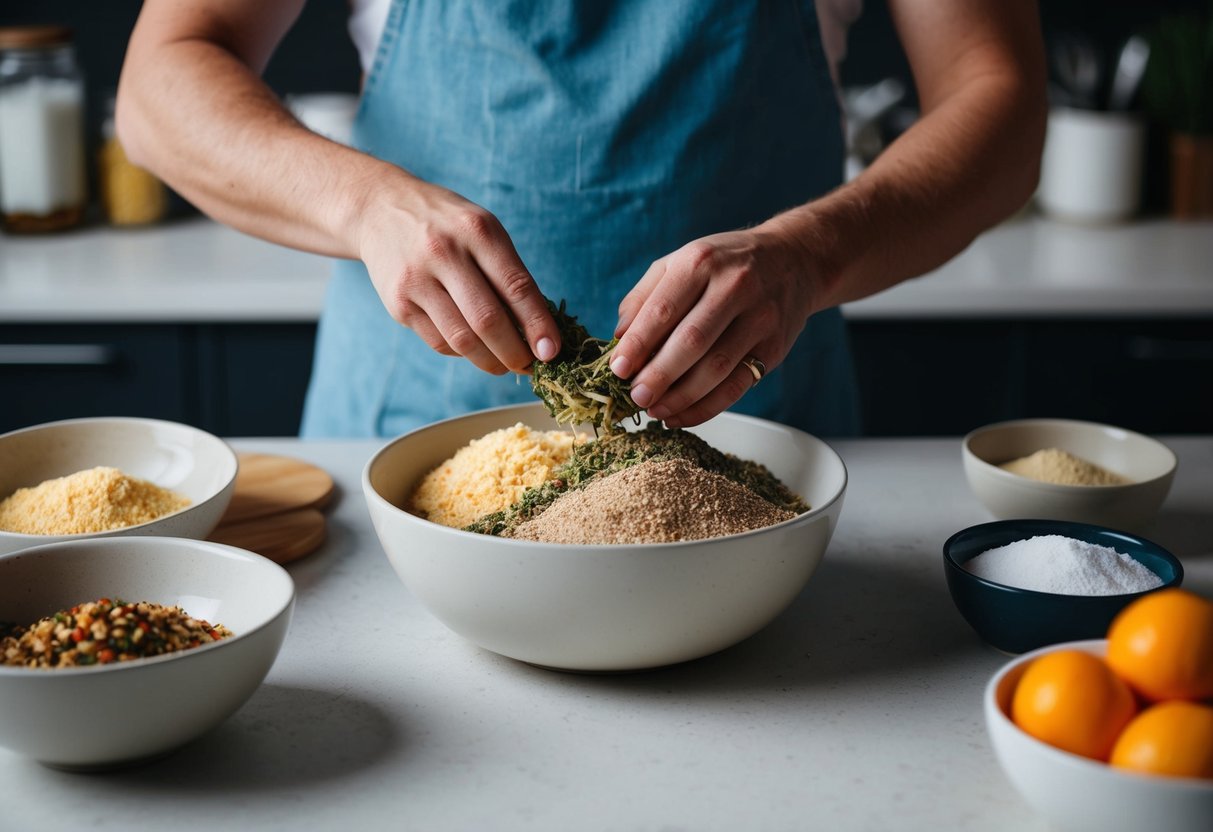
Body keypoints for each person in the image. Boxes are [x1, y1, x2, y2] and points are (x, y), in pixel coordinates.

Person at [116, 1, 1046, 438]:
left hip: (756, 434)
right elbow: (161, 82)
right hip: (404, 426)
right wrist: (363, 204)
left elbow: (997, 98)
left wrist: (811, 252)